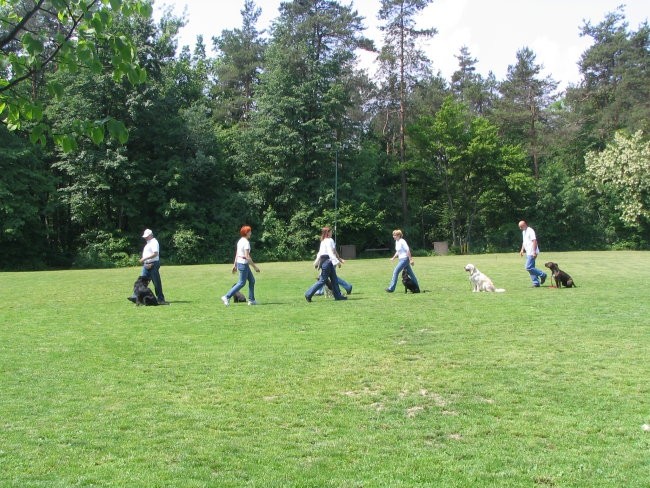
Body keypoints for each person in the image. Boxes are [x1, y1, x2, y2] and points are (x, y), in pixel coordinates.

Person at [305, 226, 348, 302]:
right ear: (328, 233)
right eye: (331, 232)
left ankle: (338, 296)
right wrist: (337, 262)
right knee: (322, 281)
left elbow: (320, 254)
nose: (332, 233)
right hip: (328, 262)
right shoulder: (330, 240)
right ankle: (308, 294)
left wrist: (316, 262)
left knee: (334, 280)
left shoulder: (323, 241)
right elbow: (330, 253)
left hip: (325, 262)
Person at [221, 226, 260, 306]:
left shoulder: (240, 241)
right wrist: (255, 267)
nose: (251, 233)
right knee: (241, 283)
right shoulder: (246, 242)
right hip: (243, 264)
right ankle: (226, 296)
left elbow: (237, 254)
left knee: (252, 280)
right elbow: (247, 256)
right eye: (249, 231)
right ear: (246, 233)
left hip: (241, 263)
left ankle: (251, 300)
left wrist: (235, 264)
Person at [139, 228, 168, 304]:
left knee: (156, 283)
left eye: (147, 236)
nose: (145, 238)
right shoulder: (149, 243)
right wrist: (145, 262)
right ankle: (137, 297)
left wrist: (144, 258)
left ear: (151, 235)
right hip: (147, 265)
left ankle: (161, 299)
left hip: (153, 264)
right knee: (142, 281)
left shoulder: (154, 242)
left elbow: (155, 254)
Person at [518, 220, 547, 287]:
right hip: (528, 252)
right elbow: (524, 242)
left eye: (521, 227)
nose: (520, 228)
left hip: (532, 252)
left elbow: (534, 241)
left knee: (528, 267)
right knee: (531, 267)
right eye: (519, 227)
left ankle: (543, 275)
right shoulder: (523, 232)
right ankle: (536, 283)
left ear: (525, 224)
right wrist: (522, 250)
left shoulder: (530, 231)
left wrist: (534, 251)